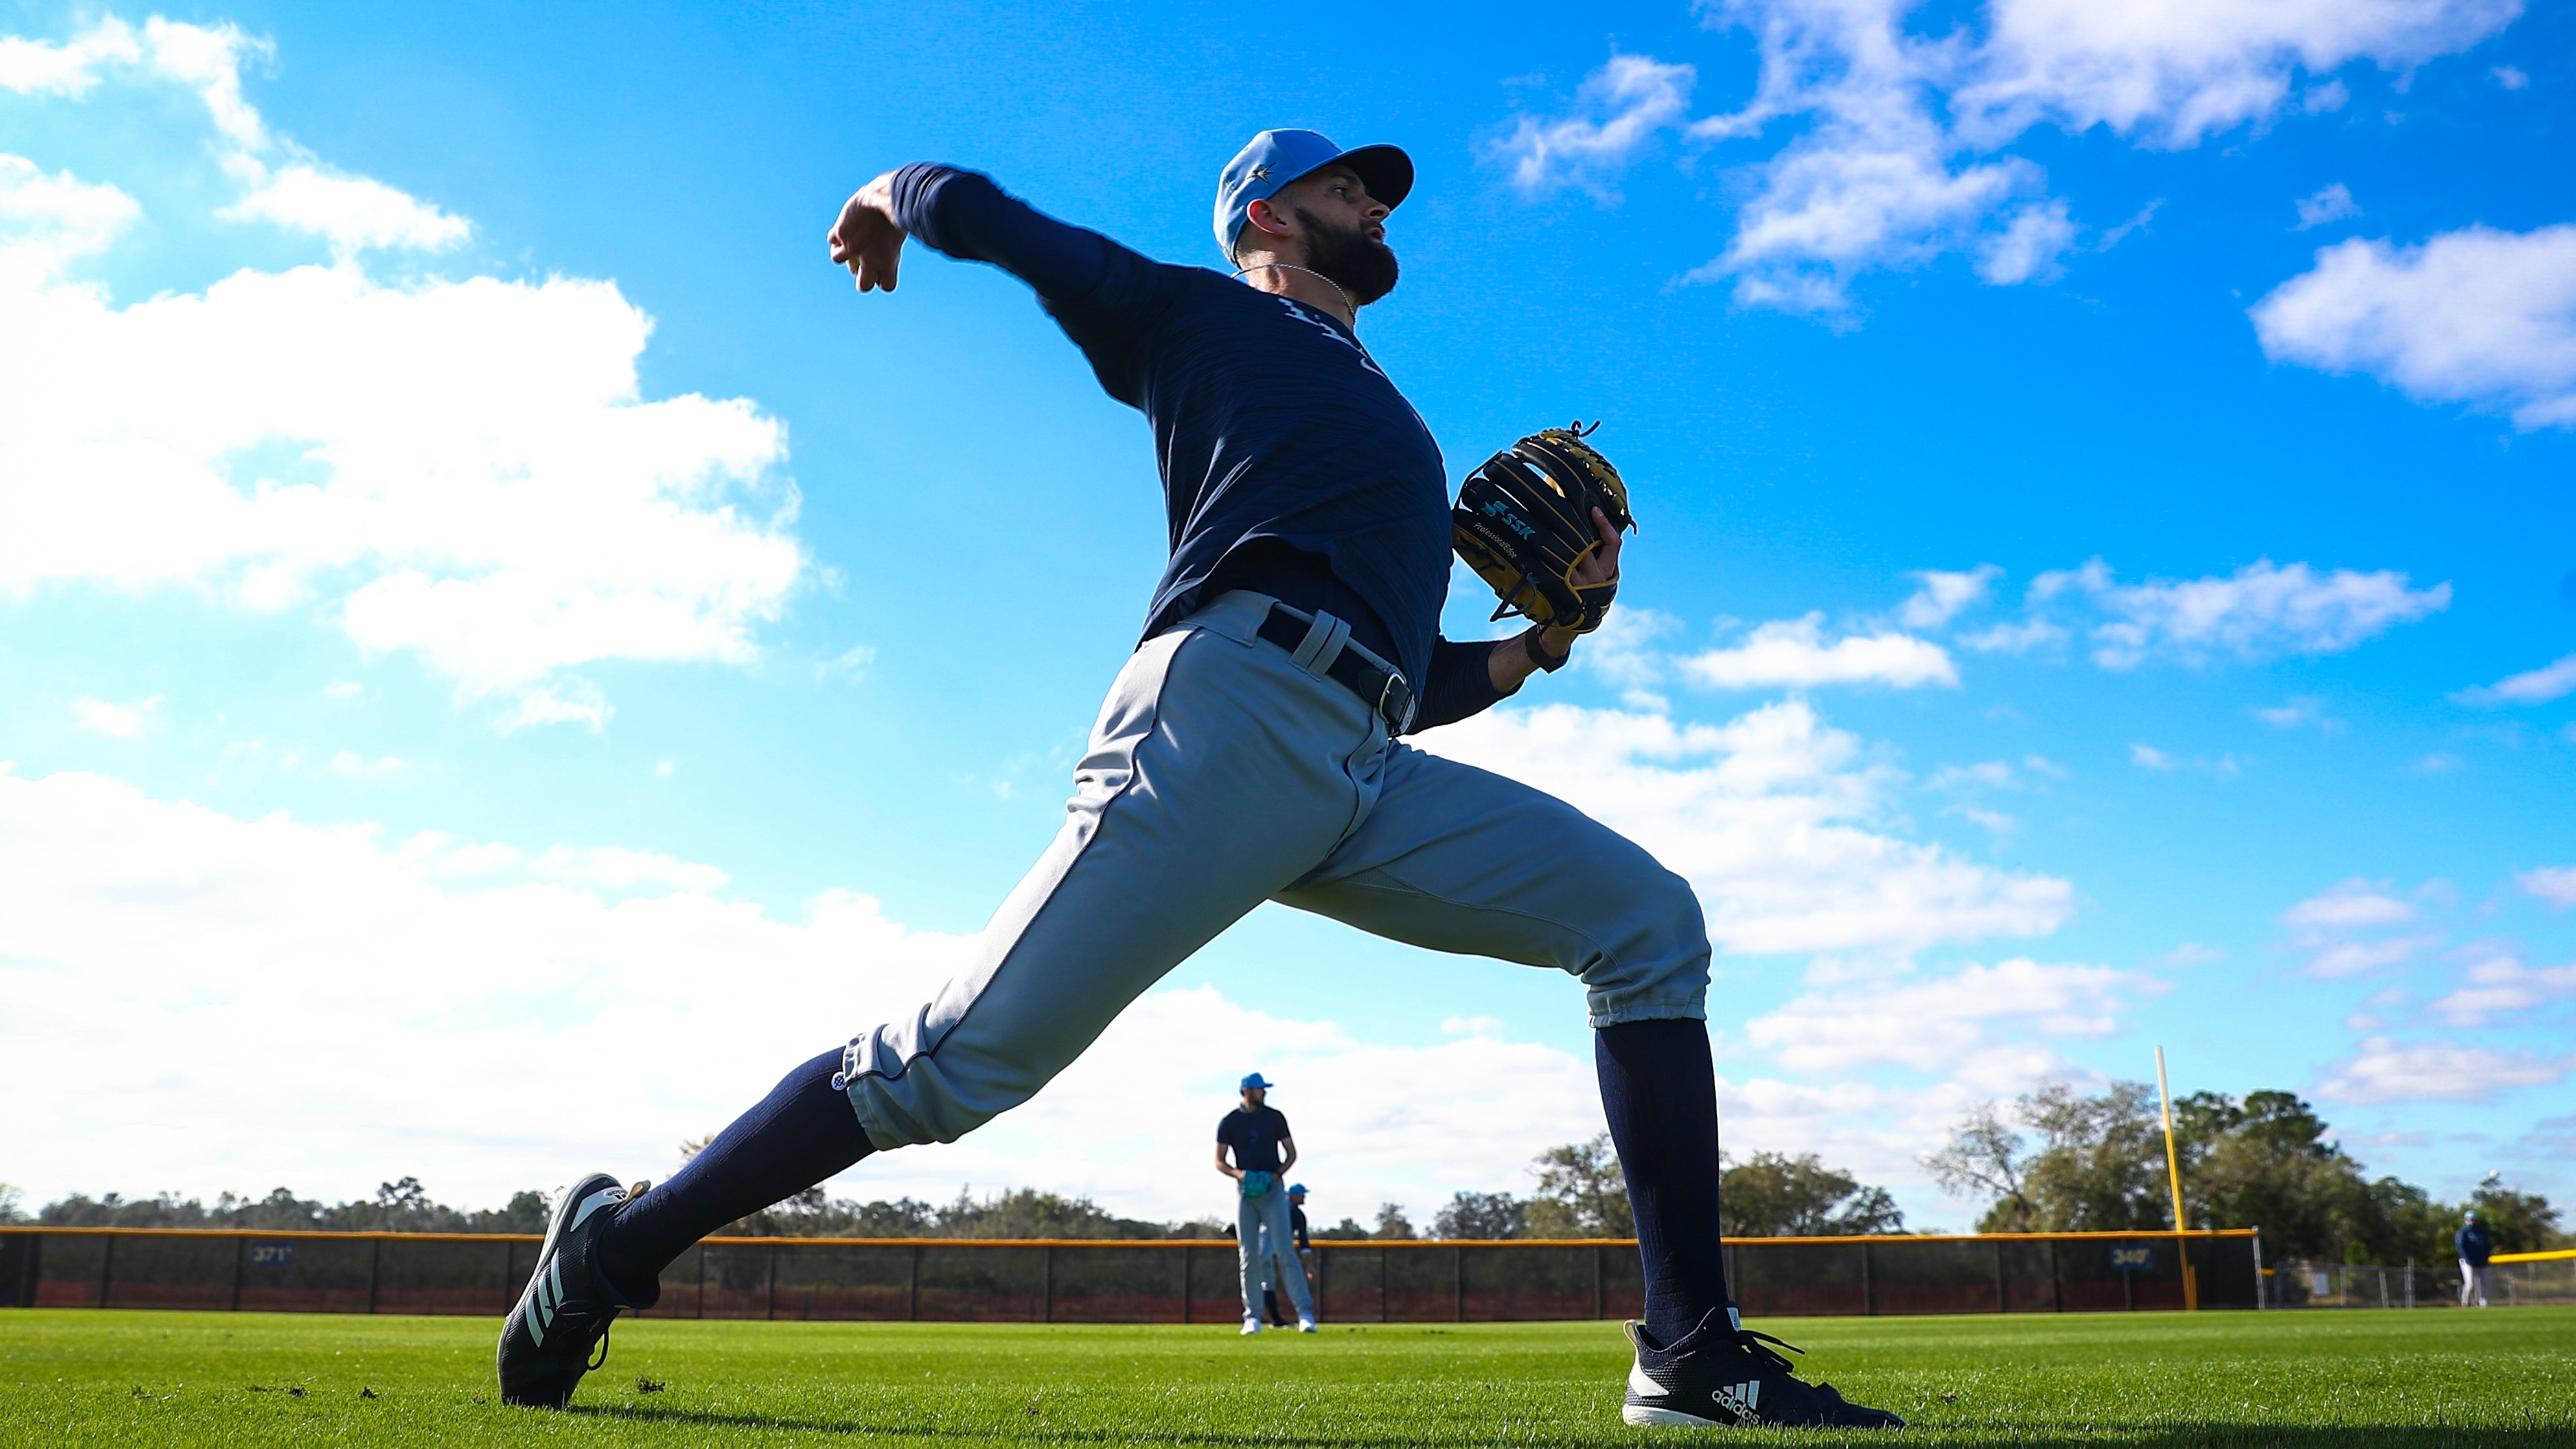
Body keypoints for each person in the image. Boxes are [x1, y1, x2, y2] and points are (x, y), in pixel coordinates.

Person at [492, 127, 1902, 1430]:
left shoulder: (1391, 418)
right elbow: (992, 215)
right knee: (951, 1068)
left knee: (1646, 922)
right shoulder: (1206, 318)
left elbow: (1408, 672)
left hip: (1359, 756)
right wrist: (887, 195)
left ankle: (1687, 1348)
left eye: (1379, 191)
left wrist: (1535, 644)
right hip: (1222, 716)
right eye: (1353, 187)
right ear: (1270, 216)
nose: (1377, 205)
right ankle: (617, 1243)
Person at [1218, 1074, 1313, 1334]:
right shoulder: (1230, 1122)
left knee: (1285, 1251)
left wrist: (1276, 1174)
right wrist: (1240, 1174)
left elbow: (1291, 1153)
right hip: (1246, 1191)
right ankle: (1253, 1317)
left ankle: (1305, 1314)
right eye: (1260, 1089)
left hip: (1272, 1189)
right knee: (1248, 1256)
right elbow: (1220, 1160)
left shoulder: (1275, 1117)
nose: (1264, 1093)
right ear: (1247, 1091)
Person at [1262, 1183, 1317, 1327]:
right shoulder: (1296, 1213)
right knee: (1283, 1276)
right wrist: (1309, 1265)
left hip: (1258, 1244)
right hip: (1275, 1246)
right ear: (1293, 1196)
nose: (1304, 1197)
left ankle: (1275, 1320)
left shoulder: (1271, 1206)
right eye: (1301, 1194)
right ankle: (1302, 1315)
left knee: (1266, 1282)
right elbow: (1304, 1244)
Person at [2457, 1209, 2493, 1308]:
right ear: (2466, 1220)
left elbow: (2488, 1245)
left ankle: (2484, 1303)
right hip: (2468, 1262)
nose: (2472, 1222)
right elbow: (2461, 1246)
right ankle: (2465, 1301)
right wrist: (2468, 1259)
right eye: (2470, 1220)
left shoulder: (2482, 1232)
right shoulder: (2463, 1232)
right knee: (2470, 1284)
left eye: (2474, 1220)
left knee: (2485, 1284)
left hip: (2482, 1261)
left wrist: (2486, 1257)